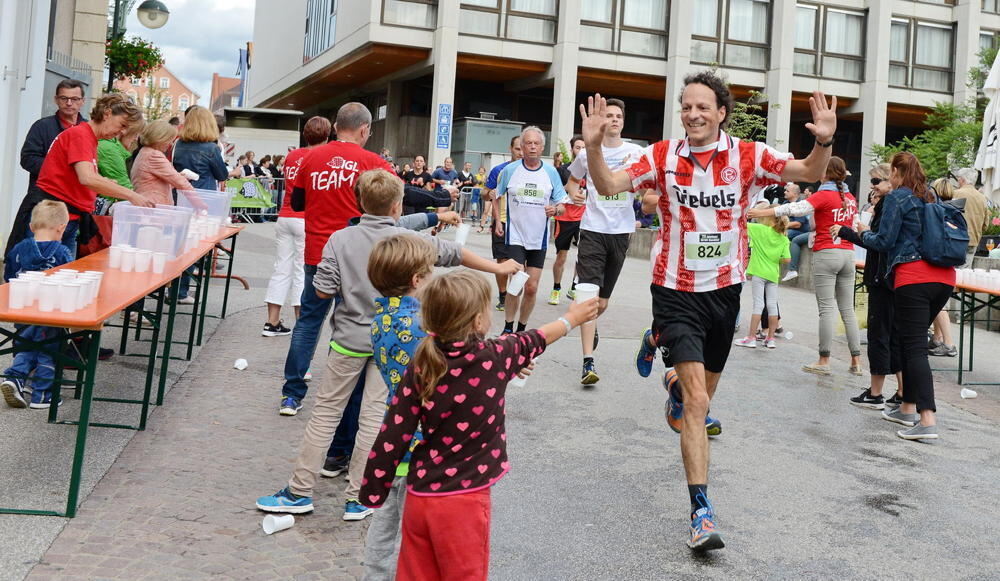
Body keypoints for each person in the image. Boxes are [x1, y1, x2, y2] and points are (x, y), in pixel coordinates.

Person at [582, 71, 837, 550]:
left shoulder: (749, 155)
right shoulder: (660, 156)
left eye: (703, 107)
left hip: (724, 291)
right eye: (687, 107)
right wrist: (595, 147)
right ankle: (701, 512)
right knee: (700, 406)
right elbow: (610, 184)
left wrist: (824, 141)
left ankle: (672, 378)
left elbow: (806, 173)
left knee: (694, 402)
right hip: (674, 289)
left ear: (721, 113)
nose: (693, 115)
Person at [256, 169, 521, 520]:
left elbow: (321, 290)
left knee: (324, 414)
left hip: (348, 340)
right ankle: (358, 497)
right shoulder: (407, 239)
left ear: (359, 201)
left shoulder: (340, 239)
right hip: (393, 341)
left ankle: (299, 491)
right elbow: (454, 253)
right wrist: (497, 268)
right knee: (373, 418)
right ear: (397, 205)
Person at [359, 270, 597, 581]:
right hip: (464, 501)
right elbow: (536, 339)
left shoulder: (423, 361)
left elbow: (394, 432)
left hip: (420, 497)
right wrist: (572, 318)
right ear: (477, 322)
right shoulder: (496, 357)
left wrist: (373, 491)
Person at [278, 102, 448, 416]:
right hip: (363, 259)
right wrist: (439, 201)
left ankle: (291, 394)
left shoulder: (309, 157)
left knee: (308, 323)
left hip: (319, 252)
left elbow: (298, 202)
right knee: (353, 327)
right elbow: (402, 194)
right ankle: (343, 395)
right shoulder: (373, 162)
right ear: (364, 129)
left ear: (334, 125)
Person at [834, 152, 953, 441]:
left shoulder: (899, 197)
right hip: (945, 276)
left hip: (914, 277)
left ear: (898, 172)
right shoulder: (929, 195)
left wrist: (855, 234)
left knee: (912, 348)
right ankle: (907, 407)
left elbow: (884, 241)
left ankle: (926, 420)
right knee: (906, 340)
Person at [359, 233, 435, 581]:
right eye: (430, 273)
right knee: (412, 529)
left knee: (383, 521)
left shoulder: (381, 320)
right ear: (417, 280)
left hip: (392, 438)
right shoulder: (419, 327)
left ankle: (375, 575)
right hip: (420, 442)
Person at [750, 156, 863, 376]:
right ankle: (856, 360)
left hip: (826, 252)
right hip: (848, 254)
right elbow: (856, 224)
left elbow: (796, 209)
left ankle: (824, 359)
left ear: (826, 173)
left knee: (827, 309)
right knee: (847, 310)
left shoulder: (824, 195)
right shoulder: (849, 197)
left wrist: (761, 213)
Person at [5, 94, 152, 259]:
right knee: (41, 276)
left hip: (63, 217)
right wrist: (131, 195)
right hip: (51, 219)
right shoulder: (81, 135)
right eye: (122, 124)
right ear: (107, 114)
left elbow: (79, 176)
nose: (122, 132)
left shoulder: (88, 138)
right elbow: (87, 178)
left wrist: (103, 182)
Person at [566, 100, 645, 384]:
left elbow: (649, 184)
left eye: (618, 116)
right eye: (608, 115)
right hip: (592, 230)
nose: (613, 119)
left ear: (623, 122)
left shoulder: (636, 152)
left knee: (601, 301)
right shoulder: (589, 151)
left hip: (620, 233)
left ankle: (593, 322)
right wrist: (574, 194)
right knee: (587, 295)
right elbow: (572, 181)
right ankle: (588, 362)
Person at [1, 201, 74, 409]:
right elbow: (69, 279)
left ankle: (16, 378)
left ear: (31, 227)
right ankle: (43, 394)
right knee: (49, 349)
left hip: (21, 309)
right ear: (62, 228)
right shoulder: (61, 252)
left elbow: (8, 276)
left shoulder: (18, 248)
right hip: (50, 312)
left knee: (25, 344)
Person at [495, 126, 568, 335]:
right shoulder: (510, 170)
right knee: (516, 282)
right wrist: (498, 221)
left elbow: (563, 204)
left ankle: (522, 329)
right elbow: (495, 194)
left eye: (536, 143)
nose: (533, 147)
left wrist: (555, 209)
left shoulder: (551, 172)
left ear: (542, 147)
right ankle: (508, 327)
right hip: (516, 235)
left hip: (539, 238)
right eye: (528, 143)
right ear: (522, 146)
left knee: (532, 287)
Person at [261, 117, 330, 337]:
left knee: (281, 268)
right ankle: (301, 322)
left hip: (285, 215)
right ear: (327, 136)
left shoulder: (292, 156)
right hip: (305, 217)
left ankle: (271, 322)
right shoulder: (321, 157)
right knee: (302, 270)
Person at [6, 80, 89, 256]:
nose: (69, 103)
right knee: (36, 260)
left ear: (83, 101)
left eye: (74, 99)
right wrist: (61, 170)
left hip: (73, 210)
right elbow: (27, 159)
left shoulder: (87, 129)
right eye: (64, 98)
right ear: (56, 100)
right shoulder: (43, 126)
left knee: (65, 265)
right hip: (45, 206)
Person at [849, 164, 904, 410]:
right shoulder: (902, 203)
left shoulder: (889, 204)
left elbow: (881, 242)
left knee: (879, 335)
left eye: (876, 181)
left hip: (883, 276)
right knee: (893, 336)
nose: (872, 186)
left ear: (891, 181)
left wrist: (860, 232)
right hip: (893, 276)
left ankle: (876, 392)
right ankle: (902, 391)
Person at [172, 106, 232, 304]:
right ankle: (181, 291)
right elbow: (222, 175)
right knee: (195, 247)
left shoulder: (178, 144)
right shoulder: (212, 148)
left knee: (179, 245)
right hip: (203, 200)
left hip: (180, 197)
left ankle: (173, 289)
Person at [733, 204, 790, 349]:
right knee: (772, 305)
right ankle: (770, 338)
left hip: (759, 273)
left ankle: (751, 337)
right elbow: (787, 259)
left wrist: (753, 213)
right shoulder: (783, 238)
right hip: (773, 274)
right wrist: (775, 258)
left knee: (758, 305)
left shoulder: (759, 230)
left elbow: (740, 224)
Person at [484, 136, 523, 310]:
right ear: (511, 149)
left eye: (523, 148)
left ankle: (514, 295)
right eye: (517, 149)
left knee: (520, 263)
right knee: (502, 260)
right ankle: (503, 295)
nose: (521, 153)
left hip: (523, 224)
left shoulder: (533, 171)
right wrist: (490, 193)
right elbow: (485, 193)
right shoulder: (499, 170)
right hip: (502, 221)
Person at [549, 136, 586, 307]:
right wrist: (570, 189)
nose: (581, 151)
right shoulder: (562, 170)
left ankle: (574, 286)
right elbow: (555, 191)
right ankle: (556, 288)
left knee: (584, 255)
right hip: (564, 217)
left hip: (584, 217)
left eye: (584, 147)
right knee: (561, 257)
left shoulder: (591, 169)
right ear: (572, 149)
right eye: (578, 147)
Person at [927, 178, 958, 358]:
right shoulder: (956, 209)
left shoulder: (937, 211)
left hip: (939, 262)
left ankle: (948, 342)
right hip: (953, 259)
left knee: (940, 304)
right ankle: (938, 339)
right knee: (940, 301)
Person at [130, 120, 193, 206]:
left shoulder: (144, 152)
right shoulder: (154, 155)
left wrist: (177, 179)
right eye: (169, 140)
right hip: (155, 209)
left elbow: (155, 184)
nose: (171, 144)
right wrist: (201, 205)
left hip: (149, 207)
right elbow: (182, 184)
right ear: (159, 138)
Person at [952, 168, 989, 263]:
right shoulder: (982, 198)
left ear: (962, 180)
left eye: (958, 179)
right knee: (966, 273)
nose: (957, 182)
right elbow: (985, 225)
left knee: (954, 272)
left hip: (956, 239)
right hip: (974, 240)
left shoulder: (955, 194)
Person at [779, 182, 812, 282]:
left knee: (783, 235)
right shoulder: (785, 204)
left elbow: (798, 224)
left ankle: (791, 269)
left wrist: (782, 227)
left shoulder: (800, 204)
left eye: (787, 191)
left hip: (801, 231)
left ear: (795, 194)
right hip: (790, 229)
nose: (784, 192)